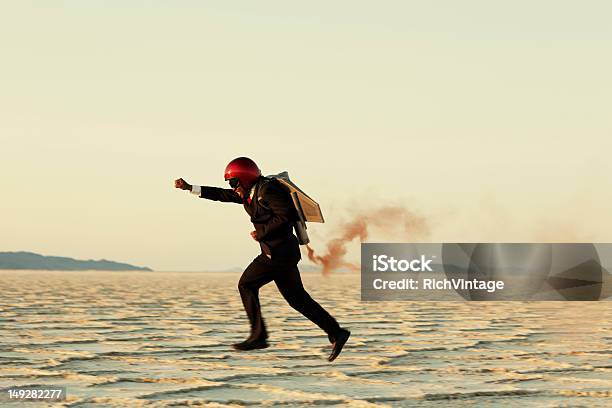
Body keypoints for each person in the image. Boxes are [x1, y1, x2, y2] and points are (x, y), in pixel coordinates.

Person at [175, 157, 350, 361]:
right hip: (281, 253)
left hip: (277, 253)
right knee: (298, 299)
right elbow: (222, 195)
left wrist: (262, 233)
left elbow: (285, 216)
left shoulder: (268, 190)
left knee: (246, 285)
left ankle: (259, 336)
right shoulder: (249, 192)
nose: (232, 187)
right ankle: (337, 332)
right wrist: (190, 188)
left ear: (244, 179)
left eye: (233, 182)